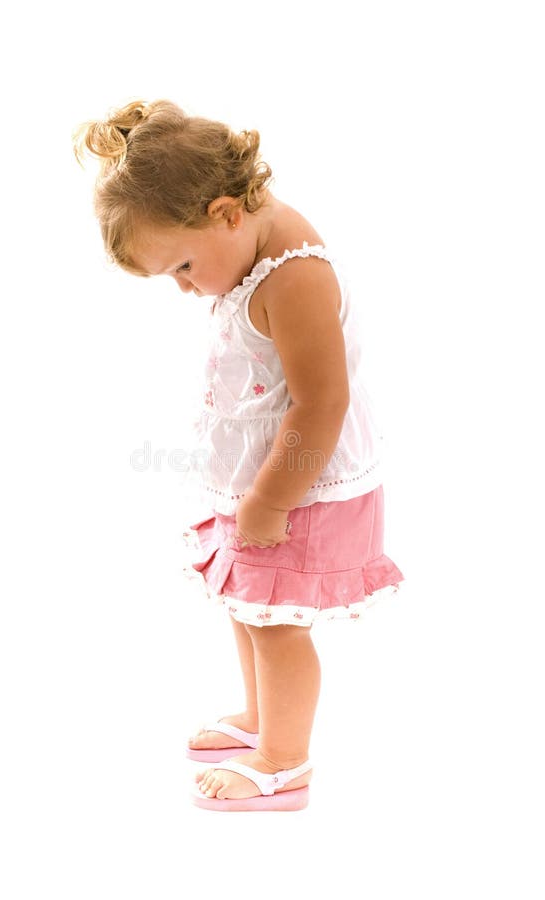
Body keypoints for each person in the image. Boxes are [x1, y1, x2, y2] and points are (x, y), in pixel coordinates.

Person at [72, 98, 405, 812]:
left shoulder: (295, 274)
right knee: (246, 605)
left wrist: (270, 500)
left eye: (184, 266)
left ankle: (286, 759)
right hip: (264, 484)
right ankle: (261, 720)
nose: (187, 288)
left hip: (302, 492)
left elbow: (322, 402)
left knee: (276, 622)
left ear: (225, 212)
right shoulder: (251, 243)